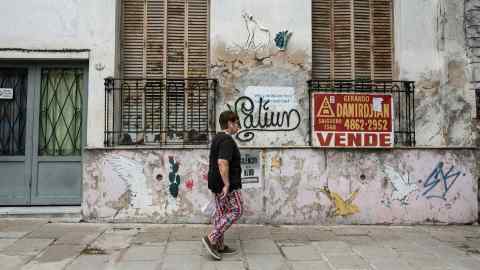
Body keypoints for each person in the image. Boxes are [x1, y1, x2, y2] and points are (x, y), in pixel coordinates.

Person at [202, 111, 243, 260]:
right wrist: (227, 184)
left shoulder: (217, 138)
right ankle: (211, 238)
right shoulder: (227, 141)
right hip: (226, 184)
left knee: (221, 212)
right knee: (237, 210)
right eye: (237, 123)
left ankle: (218, 245)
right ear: (230, 123)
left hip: (215, 182)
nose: (238, 126)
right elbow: (222, 162)